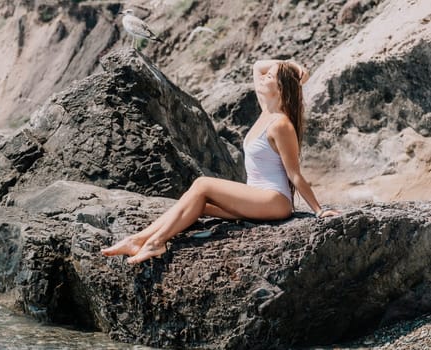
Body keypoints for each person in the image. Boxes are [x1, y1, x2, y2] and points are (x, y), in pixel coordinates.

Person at [101, 59, 340, 264]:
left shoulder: (281, 124)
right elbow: (258, 65)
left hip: (275, 201)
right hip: (256, 196)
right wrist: (292, 66)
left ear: (280, 87)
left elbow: (294, 173)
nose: (263, 76)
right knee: (198, 204)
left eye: (271, 76)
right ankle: (137, 240)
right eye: (267, 75)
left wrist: (319, 211)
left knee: (203, 185)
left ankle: (156, 243)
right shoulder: (266, 111)